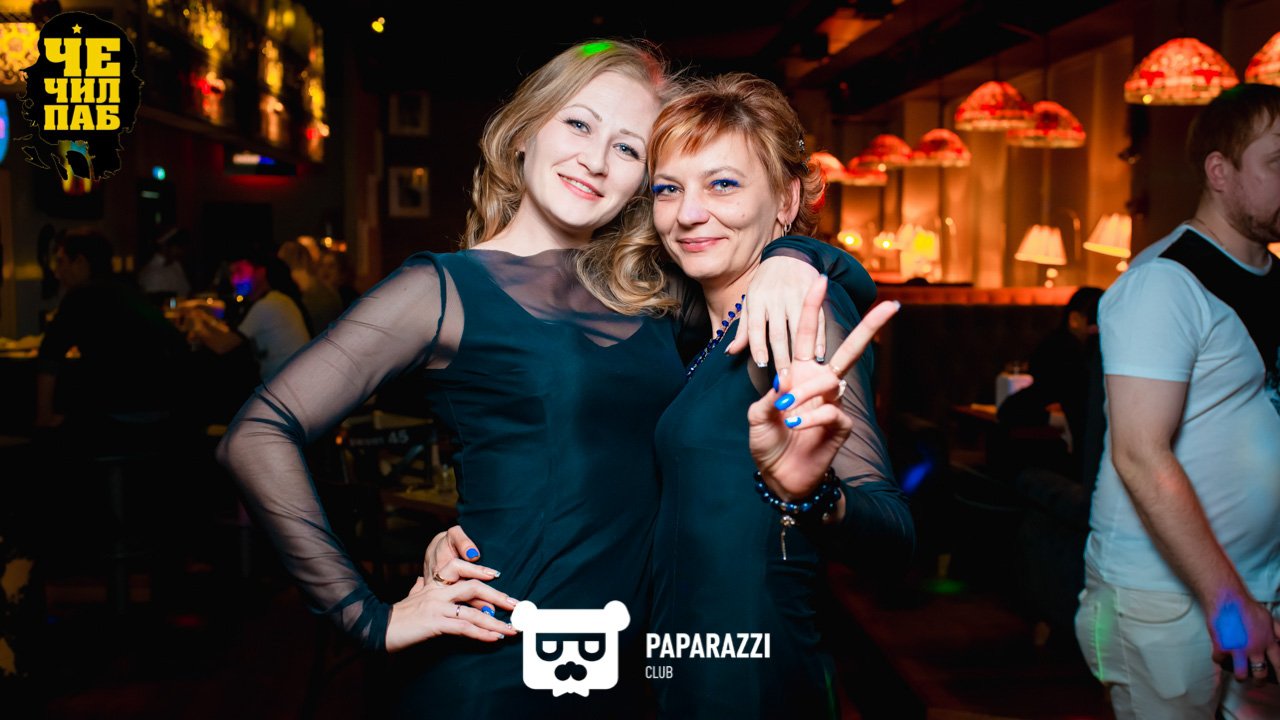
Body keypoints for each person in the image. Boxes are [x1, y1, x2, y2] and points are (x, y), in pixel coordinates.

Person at [216, 40, 864, 717]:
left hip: (629, 668)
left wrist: (794, 254)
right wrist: (366, 617)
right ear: (525, 131)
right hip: (499, 667)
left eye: (628, 148)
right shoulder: (443, 290)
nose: (595, 159)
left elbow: (788, 252)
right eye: (578, 123)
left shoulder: (652, 296)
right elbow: (257, 434)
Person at [640, 73, 914, 718]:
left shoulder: (801, 314)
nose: (687, 213)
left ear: (787, 198)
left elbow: (894, 536)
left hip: (752, 682)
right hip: (681, 664)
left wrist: (811, 494)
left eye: (722, 184)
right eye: (668, 188)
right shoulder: (689, 328)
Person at [1075, 83, 1280, 719]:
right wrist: (1230, 601)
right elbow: (1140, 454)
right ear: (1220, 171)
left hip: (1259, 588)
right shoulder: (1164, 282)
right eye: (1277, 162)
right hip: (1163, 601)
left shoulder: (1273, 280)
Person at [36, 227, 187, 438]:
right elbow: (177, 342)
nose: (56, 272)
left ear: (80, 262)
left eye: (61, 262)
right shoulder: (131, 290)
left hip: (116, 414)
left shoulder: (80, 297)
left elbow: (49, 356)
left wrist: (44, 417)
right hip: (166, 413)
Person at [187, 248, 311, 381]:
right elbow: (231, 333)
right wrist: (205, 319)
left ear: (260, 272)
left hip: (288, 383)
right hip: (289, 379)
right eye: (232, 273)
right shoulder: (275, 299)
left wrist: (197, 325)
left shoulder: (268, 305)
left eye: (240, 271)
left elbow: (222, 346)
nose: (234, 279)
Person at [278, 239, 344, 332]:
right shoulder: (324, 290)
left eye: (331, 266)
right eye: (322, 265)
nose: (325, 271)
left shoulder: (299, 289)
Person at [137, 227, 193, 299]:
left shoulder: (176, 265)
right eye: (178, 247)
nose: (181, 252)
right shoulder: (152, 273)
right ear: (164, 247)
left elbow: (186, 292)